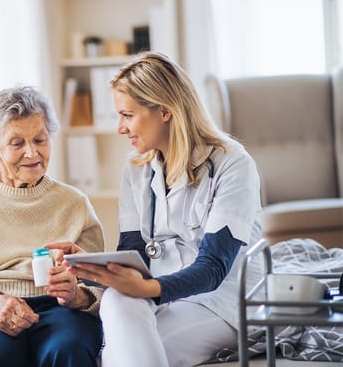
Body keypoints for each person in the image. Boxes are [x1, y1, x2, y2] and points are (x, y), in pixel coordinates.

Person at [47, 52, 263, 367]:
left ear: (164, 111)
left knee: (117, 356)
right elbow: (133, 252)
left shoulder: (232, 164)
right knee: (118, 300)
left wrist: (148, 287)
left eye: (127, 115)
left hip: (221, 301)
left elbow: (214, 268)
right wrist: (92, 266)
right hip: (162, 295)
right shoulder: (135, 168)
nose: (120, 128)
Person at [0, 85, 104, 367]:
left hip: (58, 308)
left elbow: (99, 284)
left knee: (67, 351)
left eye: (40, 140)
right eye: (17, 143)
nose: (32, 153)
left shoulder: (74, 203)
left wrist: (77, 295)